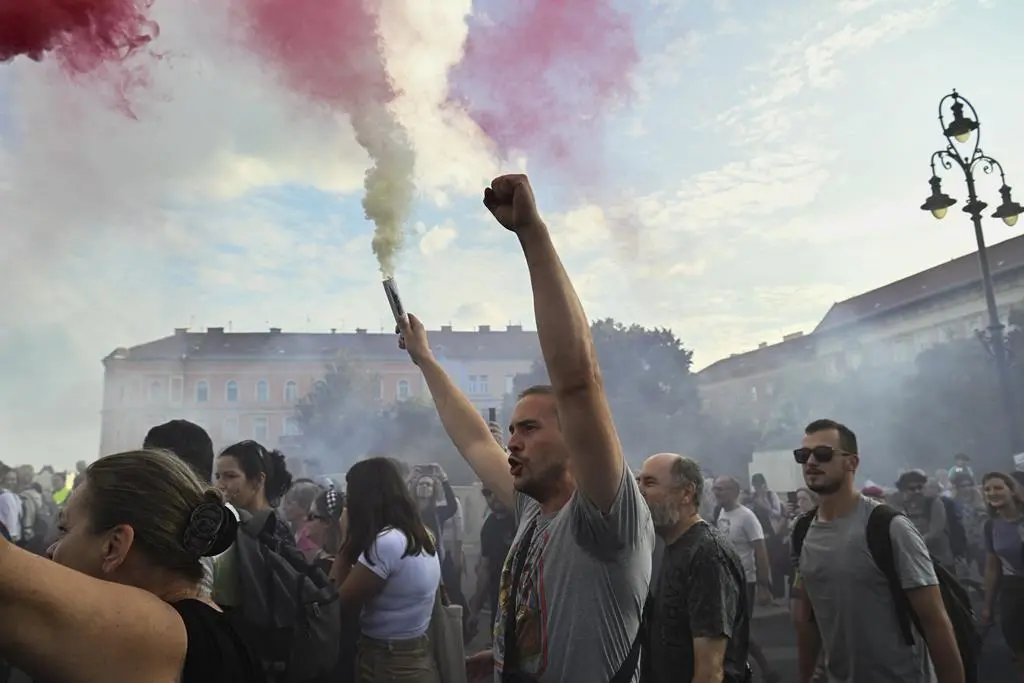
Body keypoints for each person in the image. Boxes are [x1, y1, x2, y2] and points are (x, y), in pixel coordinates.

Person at [398, 174, 654, 683]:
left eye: (530, 428)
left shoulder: (605, 518)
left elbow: (578, 382)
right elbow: (475, 439)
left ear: (575, 436)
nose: (512, 442)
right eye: (513, 429)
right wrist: (424, 359)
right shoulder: (533, 509)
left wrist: (531, 234)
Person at [0, 449, 262, 682]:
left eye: (64, 529)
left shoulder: (158, 637)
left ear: (114, 546)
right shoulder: (216, 628)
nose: (50, 550)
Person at [791, 419, 963, 683]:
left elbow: (935, 621)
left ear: (852, 463)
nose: (811, 462)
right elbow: (808, 616)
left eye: (823, 454)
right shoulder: (802, 530)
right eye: (803, 455)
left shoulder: (889, 526)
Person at [637, 453, 750, 683]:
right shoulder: (670, 546)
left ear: (686, 493)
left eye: (649, 483)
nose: (639, 492)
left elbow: (709, 672)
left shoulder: (707, 553)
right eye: (638, 482)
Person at [329, 457, 441, 683]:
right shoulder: (417, 534)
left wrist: (345, 543)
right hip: (413, 656)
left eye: (350, 498)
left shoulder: (386, 544)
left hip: (387, 663)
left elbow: (335, 605)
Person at [979, 471, 1024, 676]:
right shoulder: (991, 526)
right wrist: (987, 606)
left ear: (1012, 490)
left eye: (998, 488)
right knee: (1018, 645)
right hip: (1012, 591)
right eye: (987, 489)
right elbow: (992, 567)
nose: (992, 493)